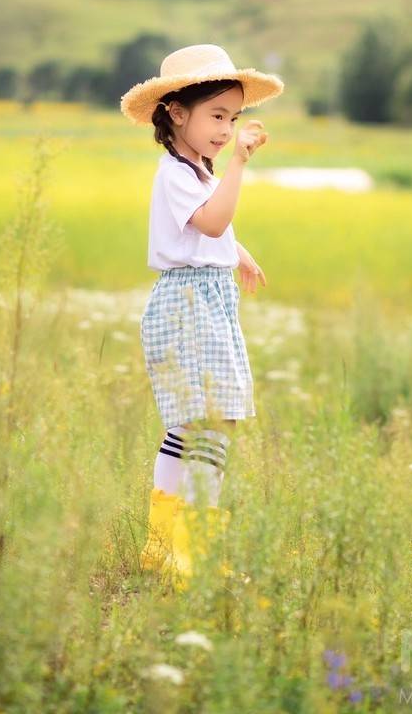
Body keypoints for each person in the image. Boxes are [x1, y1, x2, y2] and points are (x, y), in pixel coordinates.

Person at [119, 43, 284, 586]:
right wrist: (238, 161)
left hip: (206, 301)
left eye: (233, 117)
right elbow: (210, 224)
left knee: (202, 424)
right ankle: (187, 548)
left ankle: (173, 545)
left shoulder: (196, 171)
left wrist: (241, 253)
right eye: (216, 115)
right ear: (175, 112)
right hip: (189, 304)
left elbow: (211, 232)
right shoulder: (177, 173)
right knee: (204, 423)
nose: (225, 128)